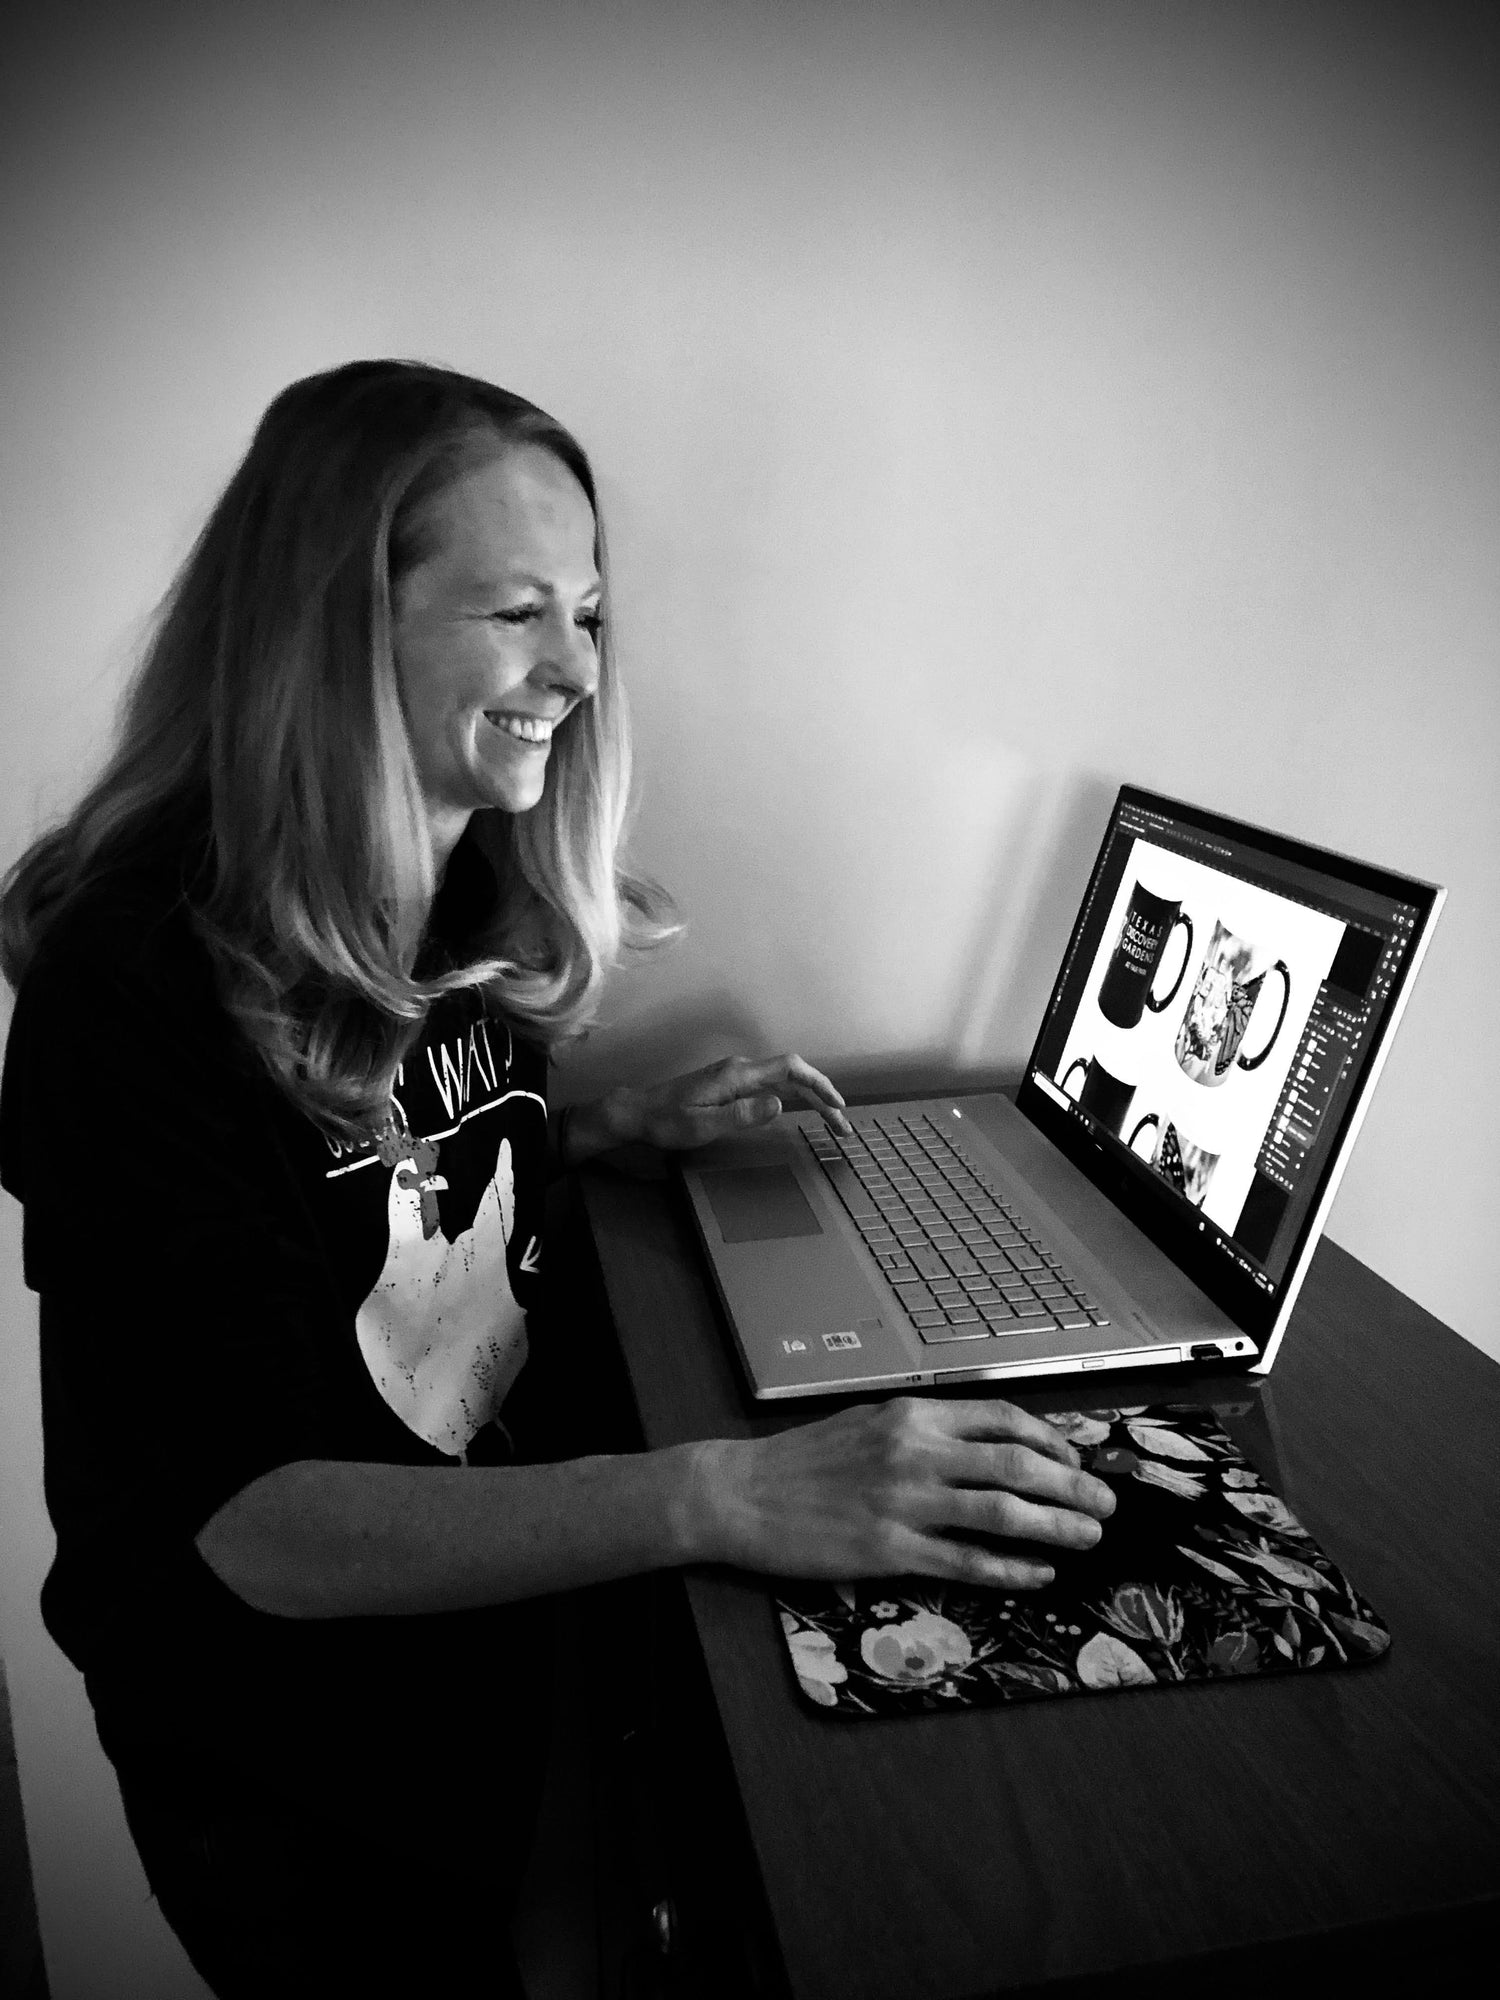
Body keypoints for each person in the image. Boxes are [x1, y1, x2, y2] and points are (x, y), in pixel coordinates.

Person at [0, 360, 1115, 1997]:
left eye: (588, 613)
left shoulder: (446, 865)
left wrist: (610, 1134)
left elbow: (364, 1200)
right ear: (332, 625)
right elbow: (259, 1525)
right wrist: (732, 1495)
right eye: (519, 611)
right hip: (302, 1761)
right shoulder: (136, 984)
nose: (575, 670)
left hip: (490, 1648)